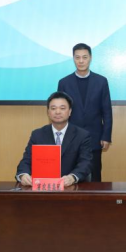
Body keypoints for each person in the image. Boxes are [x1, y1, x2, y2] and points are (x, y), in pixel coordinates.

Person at [57, 43, 112, 182]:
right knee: (69, 175)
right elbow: (60, 112)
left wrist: (106, 136)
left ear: (90, 58)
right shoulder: (64, 82)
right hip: (70, 137)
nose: (81, 61)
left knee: (95, 176)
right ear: (73, 58)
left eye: (84, 57)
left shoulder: (101, 81)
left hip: (94, 137)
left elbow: (107, 111)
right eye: (77, 57)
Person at [16, 92, 93, 187]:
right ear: (48, 112)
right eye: (53, 108)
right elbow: (26, 160)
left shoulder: (82, 135)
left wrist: (72, 177)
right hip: (43, 187)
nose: (57, 112)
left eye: (62, 108)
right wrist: (23, 175)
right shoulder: (37, 134)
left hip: (71, 187)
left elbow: (86, 162)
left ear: (70, 111)